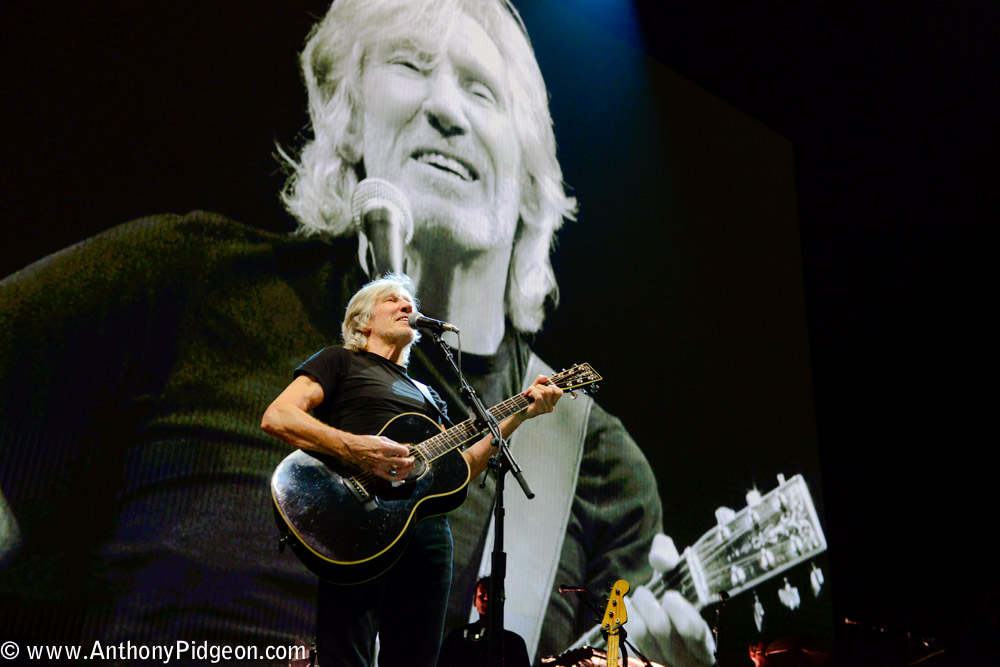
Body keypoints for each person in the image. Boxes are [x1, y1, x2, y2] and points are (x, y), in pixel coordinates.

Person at [0, 1, 713, 665]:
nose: (445, 108)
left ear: (529, 174)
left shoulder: (596, 465)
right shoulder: (184, 280)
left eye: (481, 91)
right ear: (347, 118)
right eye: (409, 64)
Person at [260, 274, 561, 665]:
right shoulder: (339, 361)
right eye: (392, 300)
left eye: (409, 301)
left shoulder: (428, 394)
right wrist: (359, 449)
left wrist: (519, 414)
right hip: (355, 520)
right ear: (362, 322)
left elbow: (461, 469)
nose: (406, 305)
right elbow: (278, 416)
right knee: (346, 654)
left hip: (426, 536)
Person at [438, 576, 530, 667]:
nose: (486, 598)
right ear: (474, 601)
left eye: (490, 595)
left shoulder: (515, 643)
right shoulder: (457, 637)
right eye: (482, 595)